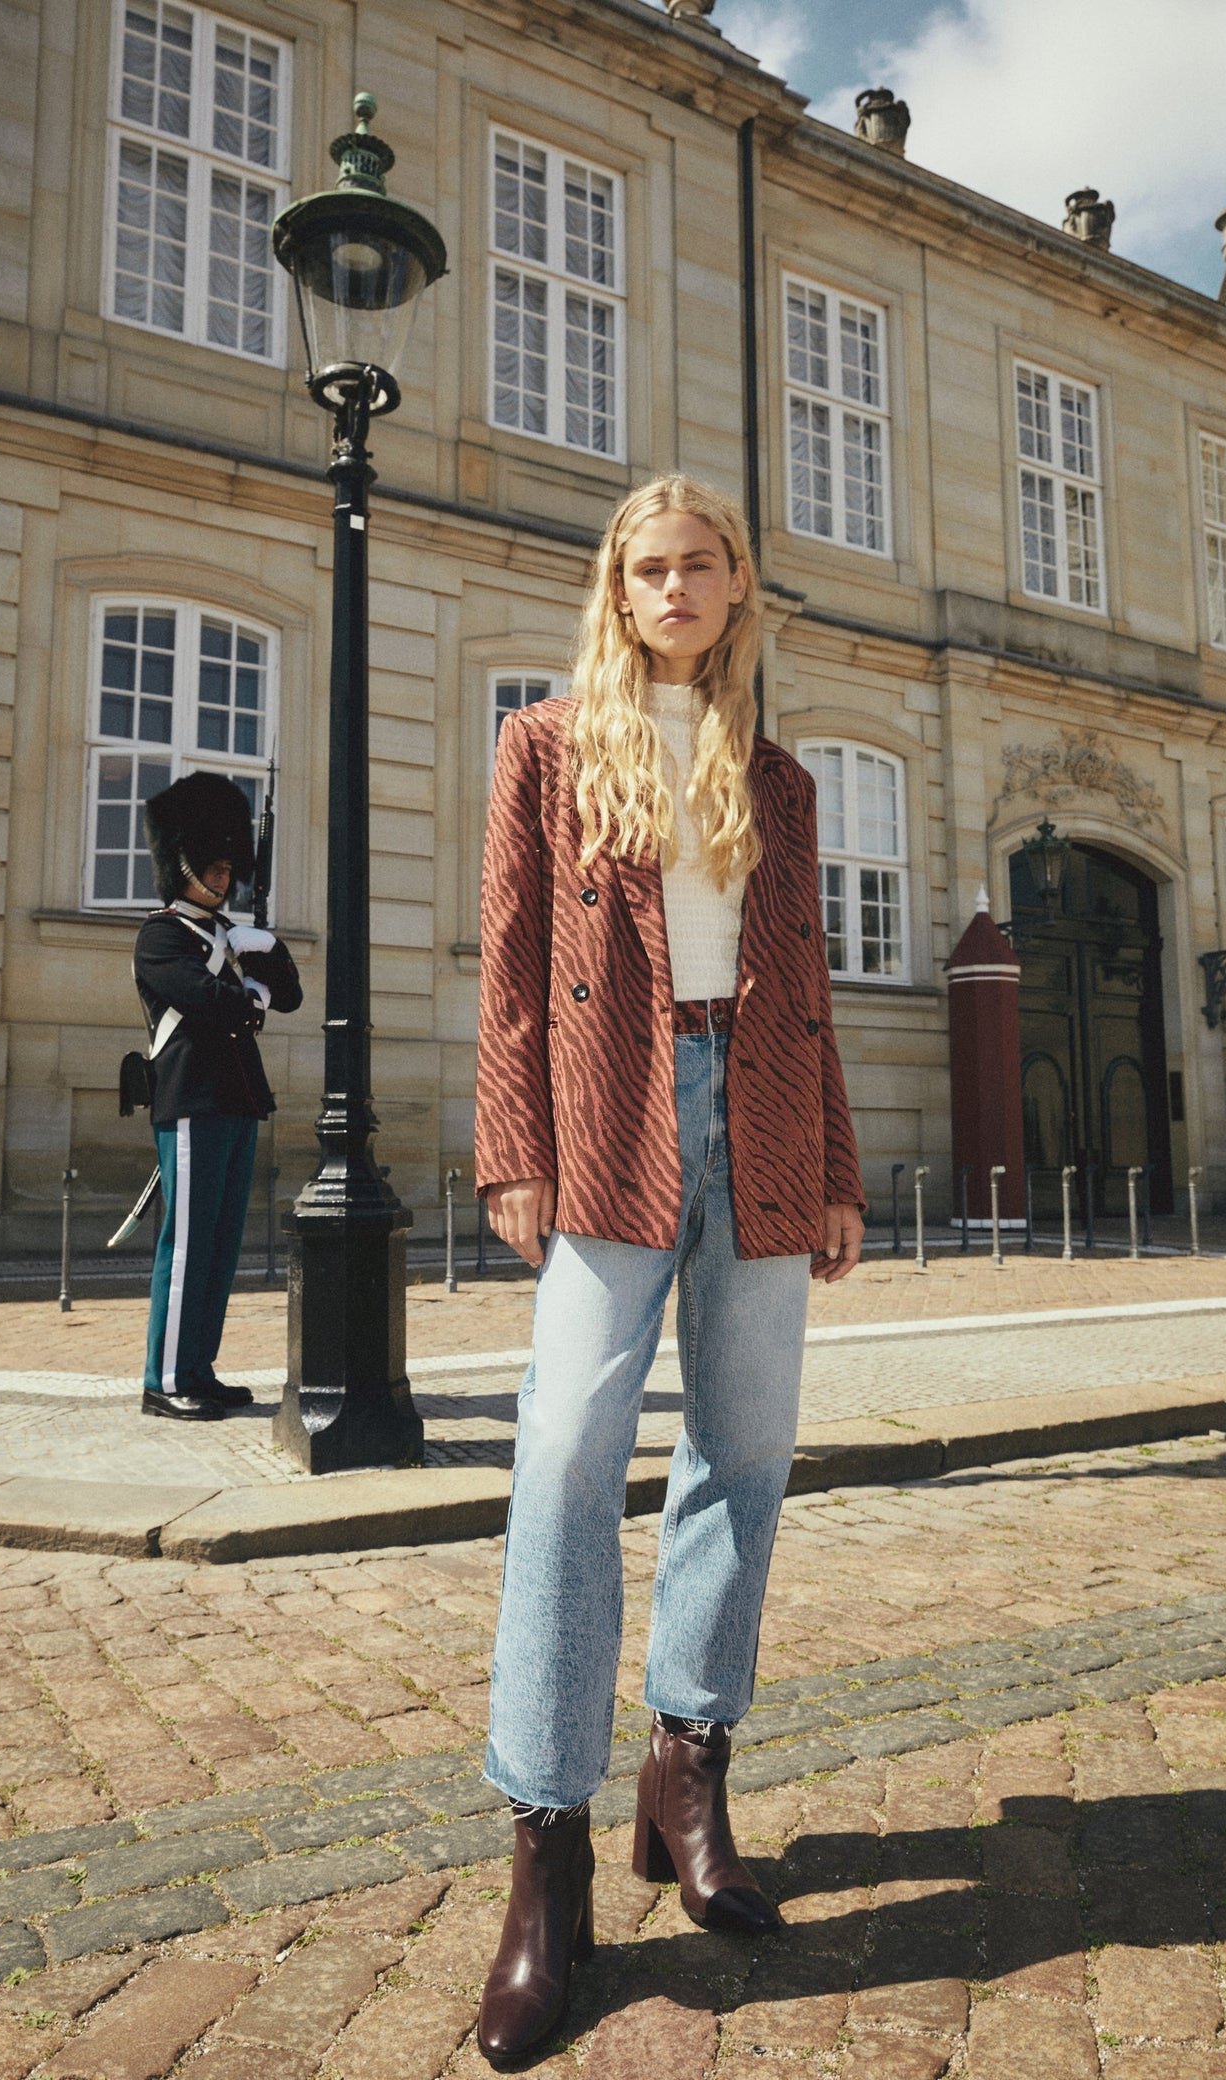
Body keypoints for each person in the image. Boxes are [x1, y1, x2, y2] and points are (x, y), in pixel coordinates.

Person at [473, 473, 866, 2065]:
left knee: (746, 1452)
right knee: (565, 1452)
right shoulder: (547, 748)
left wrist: (834, 1170)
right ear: (618, 589)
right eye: (653, 567)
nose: (679, 586)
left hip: (758, 1112)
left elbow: (813, 987)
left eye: (704, 565)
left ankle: (686, 1766)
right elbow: (509, 959)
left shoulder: (775, 770)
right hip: (611, 1117)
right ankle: (545, 1850)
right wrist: (512, 1144)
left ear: (739, 590)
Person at [136, 772, 302, 1421]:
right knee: (185, 1244)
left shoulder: (228, 936)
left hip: (236, 1099)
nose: (225, 878)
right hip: (190, 1098)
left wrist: (272, 953)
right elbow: (207, 1004)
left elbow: (288, 996)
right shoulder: (162, 936)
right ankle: (165, 1377)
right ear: (182, 865)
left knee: (220, 1244)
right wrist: (250, 993)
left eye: (230, 867)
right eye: (214, 867)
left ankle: (198, 1369)